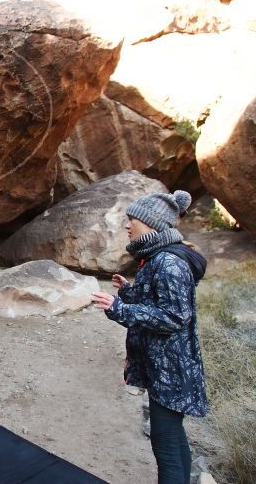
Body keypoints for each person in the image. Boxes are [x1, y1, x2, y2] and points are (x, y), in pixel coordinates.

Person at [91, 190, 208, 484]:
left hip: (171, 368)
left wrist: (119, 309)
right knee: (172, 437)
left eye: (132, 219)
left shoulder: (168, 262)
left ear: (151, 222)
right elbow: (160, 303)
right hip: (165, 366)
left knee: (166, 444)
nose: (127, 226)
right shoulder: (155, 258)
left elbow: (174, 317)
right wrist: (129, 293)